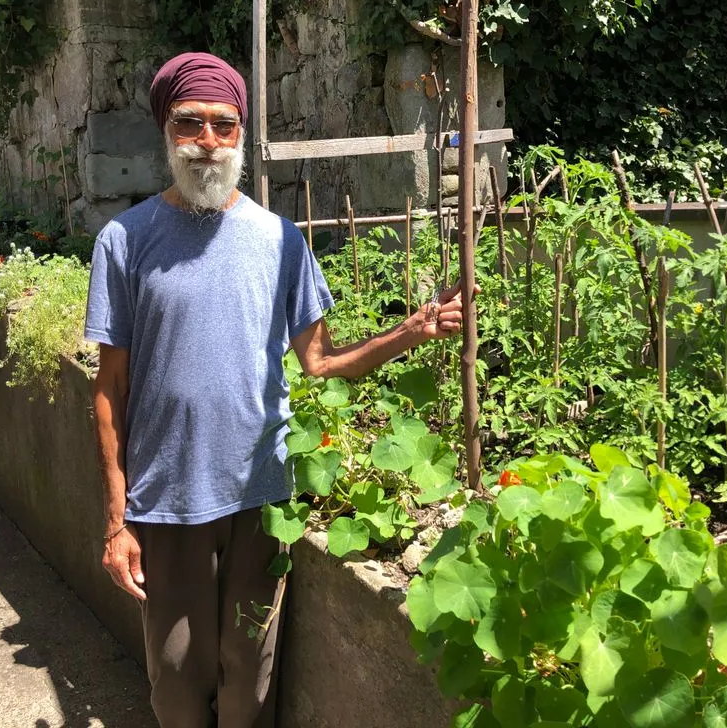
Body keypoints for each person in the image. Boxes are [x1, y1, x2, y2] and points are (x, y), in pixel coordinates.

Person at [83, 52, 468, 728]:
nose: (207, 140)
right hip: (166, 502)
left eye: (223, 124)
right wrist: (118, 519)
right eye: (189, 123)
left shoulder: (279, 241)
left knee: (251, 684)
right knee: (176, 684)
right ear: (166, 131)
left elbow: (320, 361)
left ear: (241, 133)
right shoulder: (125, 240)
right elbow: (109, 387)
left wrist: (410, 332)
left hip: (260, 497)